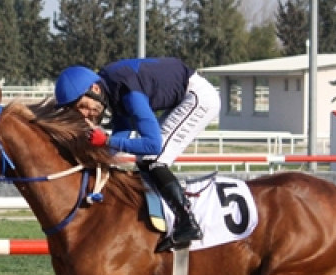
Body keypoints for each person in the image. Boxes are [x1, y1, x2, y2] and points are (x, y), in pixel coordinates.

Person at [54, 57, 221, 252]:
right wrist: (97, 154)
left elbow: (152, 145)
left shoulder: (128, 92)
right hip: (183, 95)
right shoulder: (112, 87)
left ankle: (187, 223)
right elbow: (123, 132)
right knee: (144, 160)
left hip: (198, 97)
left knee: (153, 159)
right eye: (77, 111)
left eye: (83, 106)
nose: (84, 115)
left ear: (95, 90)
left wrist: (106, 141)